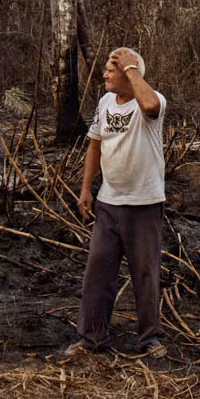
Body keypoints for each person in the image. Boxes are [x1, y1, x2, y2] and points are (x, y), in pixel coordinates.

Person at [67, 47, 168, 358]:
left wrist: (131, 69)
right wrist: (86, 189)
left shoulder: (152, 100)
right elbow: (95, 146)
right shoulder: (105, 103)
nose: (104, 75)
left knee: (145, 274)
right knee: (98, 273)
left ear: (129, 72)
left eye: (112, 69)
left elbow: (149, 104)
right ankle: (91, 340)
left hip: (144, 202)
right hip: (108, 202)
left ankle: (148, 340)